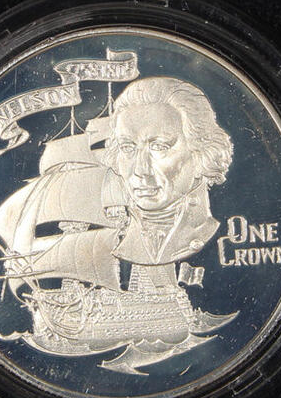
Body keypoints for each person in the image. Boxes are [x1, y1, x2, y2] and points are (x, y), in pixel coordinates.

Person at [100, 76, 234, 282]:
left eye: (159, 147)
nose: (140, 170)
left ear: (202, 153)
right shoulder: (114, 241)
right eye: (127, 147)